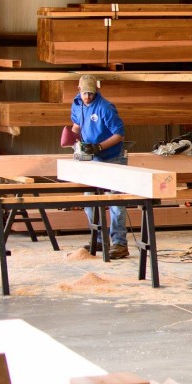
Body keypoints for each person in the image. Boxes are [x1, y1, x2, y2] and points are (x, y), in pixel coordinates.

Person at [70, 75, 129, 259]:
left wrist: (100, 147)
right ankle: (98, 239)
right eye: (85, 93)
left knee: (116, 202)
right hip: (91, 159)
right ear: (78, 90)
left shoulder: (105, 107)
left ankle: (119, 244)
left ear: (96, 91)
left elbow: (119, 134)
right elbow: (76, 126)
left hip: (112, 158)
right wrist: (73, 142)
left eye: (91, 93)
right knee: (90, 201)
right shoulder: (77, 104)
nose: (88, 96)